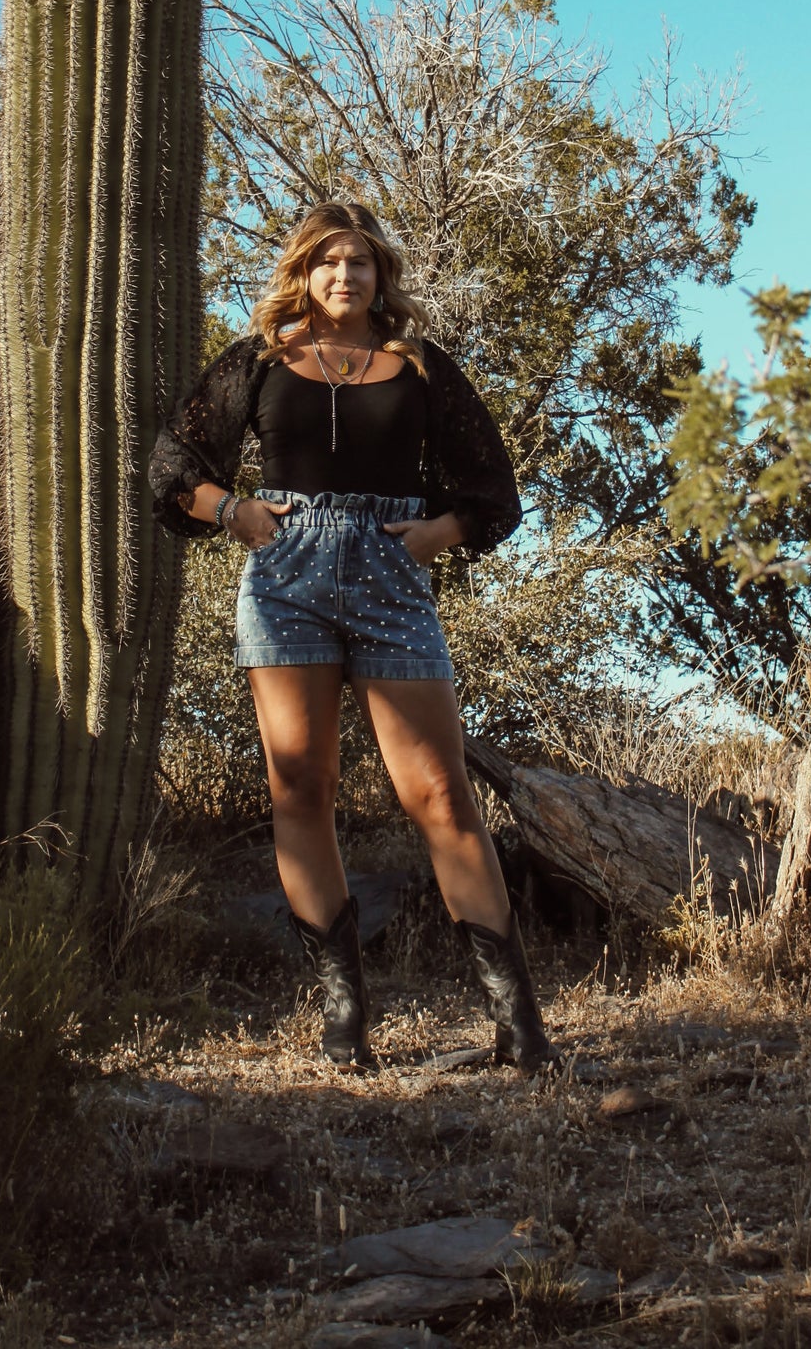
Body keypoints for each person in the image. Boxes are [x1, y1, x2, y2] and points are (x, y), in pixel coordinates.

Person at [149, 200, 555, 1074]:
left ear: (381, 276)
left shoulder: (418, 368)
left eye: (360, 263)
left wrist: (431, 537)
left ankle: (520, 1027)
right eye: (329, 262)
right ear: (303, 272)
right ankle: (344, 1024)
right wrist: (236, 511)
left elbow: (491, 490)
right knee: (299, 786)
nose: (345, 276)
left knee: (439, 795)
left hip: (389, 575)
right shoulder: (260, 363)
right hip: (285, 578)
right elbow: (171, 464)